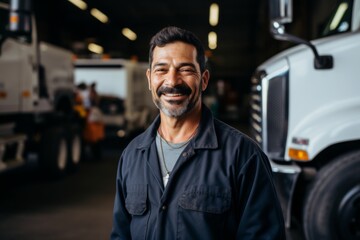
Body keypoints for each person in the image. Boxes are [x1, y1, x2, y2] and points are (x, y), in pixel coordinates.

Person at [110, 26, 285, 239]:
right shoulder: (132, 155)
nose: (172, 81)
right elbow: (121, 234)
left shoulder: (244, 156)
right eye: (161, 70)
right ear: (149, 79)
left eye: (185, 69)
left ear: (203, 79)